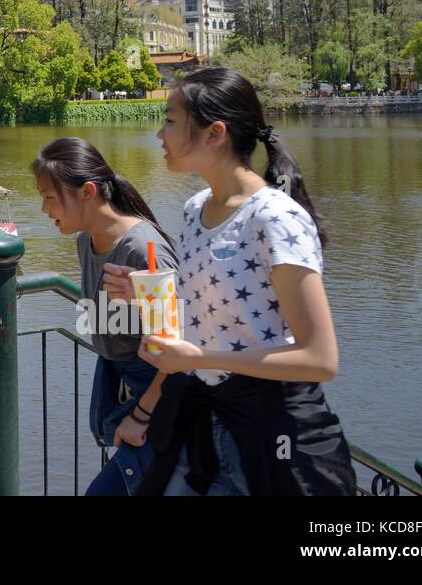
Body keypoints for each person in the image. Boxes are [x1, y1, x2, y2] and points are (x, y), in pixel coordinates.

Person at [103, 66, 356, 495]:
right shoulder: (196, 208)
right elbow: (218, 311)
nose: (159, 135)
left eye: (169, 121)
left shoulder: (274, 217)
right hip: (204, 424)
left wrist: (195, 360)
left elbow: (321, 359)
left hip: (276, 438)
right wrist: (153, 289)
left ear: (213, 133)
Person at [31, 137, 177, 495]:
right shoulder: (87, 240)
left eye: (50, 197)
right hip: (121, 386)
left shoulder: (143, 250)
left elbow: (176, 350)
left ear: (87, 191)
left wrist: (140, 415)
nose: (43, 208)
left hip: (159, 400)